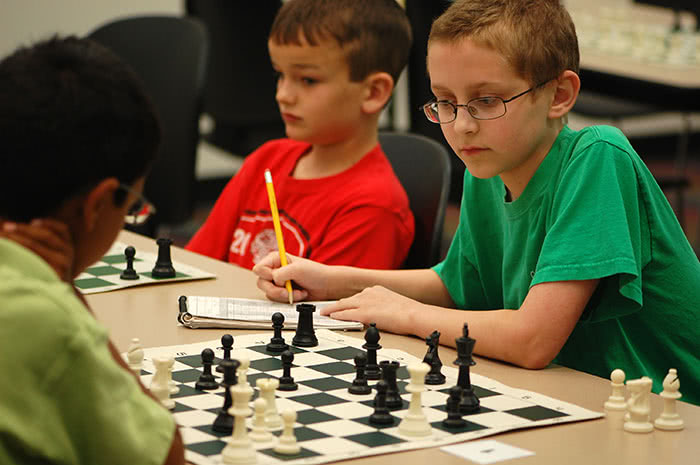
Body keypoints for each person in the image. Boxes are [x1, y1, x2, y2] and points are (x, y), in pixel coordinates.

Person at [253, 0, 700, 406]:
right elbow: (455, 286)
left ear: (559, 95)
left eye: (486, 101)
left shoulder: (598, 157)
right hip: (584, 396)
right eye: (445, 102)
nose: (461, 126)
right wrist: (332, 280)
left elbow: (532, 341)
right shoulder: (486, 169)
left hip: (669, 412)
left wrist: (406, 314)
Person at [0, 37, 185, 463]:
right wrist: (65, 295)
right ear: (99, 204)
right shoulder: (45, 319)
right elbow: (164, 457)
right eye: (132, 205)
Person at [186, 0, 415, 270]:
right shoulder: (266, 160)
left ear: (373, 92)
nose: (283, 95)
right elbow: (197, 264)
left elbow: (324, 311)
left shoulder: (372, 207)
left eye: (308, 80)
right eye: (280, 75)